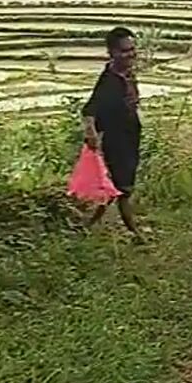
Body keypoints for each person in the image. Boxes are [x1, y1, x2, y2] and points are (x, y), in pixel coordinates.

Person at [82, 26, 143, 240]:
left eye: (132, 49)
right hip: (116, 141)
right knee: (122, 190)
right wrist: (91, 133)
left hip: (130, 137)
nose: (131, 54)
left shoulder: (127, 74)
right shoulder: (109, 80)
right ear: (112, 52)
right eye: (125, 51)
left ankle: (88, 225)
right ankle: (135, 232)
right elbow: (90, 109)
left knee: (116, 187)